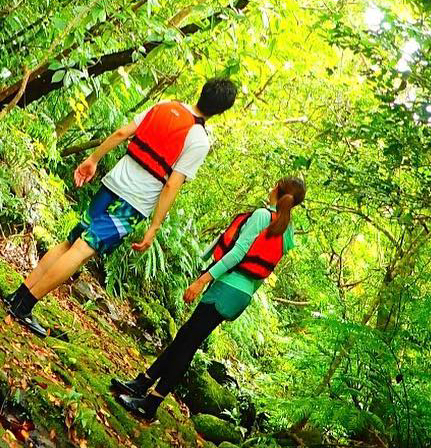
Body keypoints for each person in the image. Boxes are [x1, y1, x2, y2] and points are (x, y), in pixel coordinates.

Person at [4, 78, 238, 338]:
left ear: (202, 90)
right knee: (83, 249)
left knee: (71, 241)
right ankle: (24, 307)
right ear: (220, 111)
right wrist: (154, 226)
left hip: (114, 181)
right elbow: (172, 184)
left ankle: (19, 295)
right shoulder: (199, 140)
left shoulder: (164, 105)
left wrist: (93, 159)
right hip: (135, 201)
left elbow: (122, 133)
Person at [111, 176, 306, 421]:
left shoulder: (262, 217)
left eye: (273, 185)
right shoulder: (287, 231)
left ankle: (150, 404)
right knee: (186, 336)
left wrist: (202, 280)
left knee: (188, 343)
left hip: (227, 285)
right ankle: (142, 383)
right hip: (241, 293)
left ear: (277, 190)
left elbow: (237, 253)